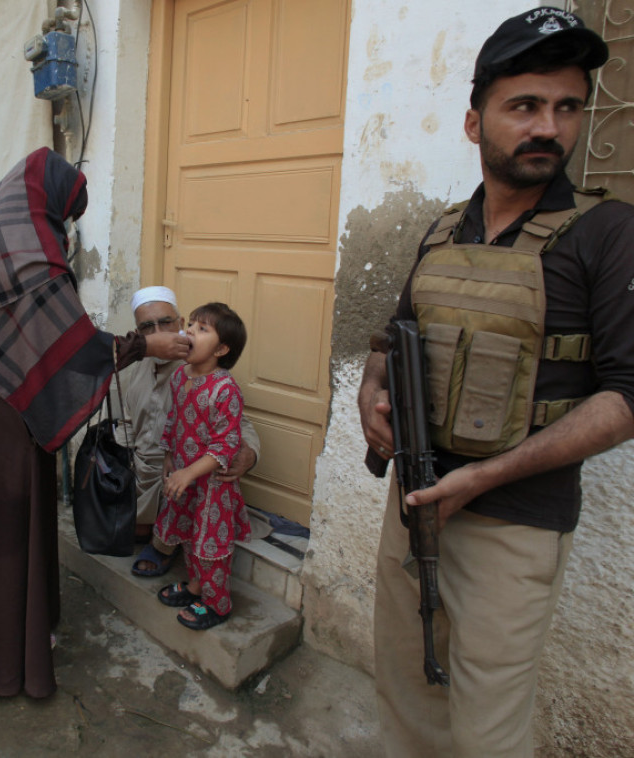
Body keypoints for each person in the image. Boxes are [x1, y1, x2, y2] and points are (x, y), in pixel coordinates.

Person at [357, 9, 634, 757]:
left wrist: (484, 477)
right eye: (525, 106)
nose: (549, 126)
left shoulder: (609, 232)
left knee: (488, 730)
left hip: (515, 524)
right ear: (475, 123)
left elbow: (624, 397)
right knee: (405, 694)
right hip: (412, 501)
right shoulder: (443, 230)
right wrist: (369, 395)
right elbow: (392, 333)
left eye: (567, 106)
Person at [0, 147, 191, 698]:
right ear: (52, 202)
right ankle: (2, 652)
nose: (65, 228)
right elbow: (71, 346)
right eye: (67, 217)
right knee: (2, 518)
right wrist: (143, 344)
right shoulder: (33, 241)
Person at [120, 286, 260, 577]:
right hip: (146, 470)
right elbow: (125, 422)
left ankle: (169, 552)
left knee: (189, 515)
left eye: (166, 323)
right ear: (137, 333)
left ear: (181, 324)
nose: (159, 332)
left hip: (190, 473)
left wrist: (250, 454)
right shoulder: (132, 368)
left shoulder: (202, 369)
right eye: (147, 327)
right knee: (121, 526)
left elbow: (237, 425)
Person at [154, 302, 252, 631]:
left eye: (202, 329)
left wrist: (190, 472)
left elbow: (226, 444)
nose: (190, 331)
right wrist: (170, 458)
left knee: (209, 545)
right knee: (187, 537)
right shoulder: (180, 375)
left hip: (212, 484)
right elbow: (174, 419)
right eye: (191, 324)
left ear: (222, 349)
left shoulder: (225, 390)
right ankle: (196, 587)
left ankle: (217, 603)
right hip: (185, 477)